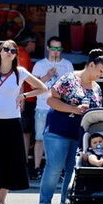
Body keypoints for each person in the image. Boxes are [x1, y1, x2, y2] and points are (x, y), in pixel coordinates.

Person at [37, 50, 103, 204]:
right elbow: (50, 100)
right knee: (54, 168)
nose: (101, 75)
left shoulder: (97, 87)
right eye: (100, 71)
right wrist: (74, 110)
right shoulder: (69, 79)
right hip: (57, 130)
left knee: (73, 170)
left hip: (80, 134)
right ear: (91, 65)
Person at [0, 41, 47, 204]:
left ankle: (2, 201)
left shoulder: (20, 72)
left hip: (11, 121)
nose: (9, 52)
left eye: (13, 50)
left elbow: (42, 87)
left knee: (8, 160)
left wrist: (24, 95)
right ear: (0, 51)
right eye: (6, 49)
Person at [31, 36, 75, 178]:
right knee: (39, 138)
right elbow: (33, 85)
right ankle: (37, 167)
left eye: (59, 48)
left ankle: (60, 168)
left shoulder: (67, 64)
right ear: (48, 48)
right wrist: (47, 75)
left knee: (61, 139)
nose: (56, 51)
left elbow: (73, 85)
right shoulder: (39, 65)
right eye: (53, 48)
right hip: (42, 106)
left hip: (61, 107)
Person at [17, 35, 38, 169]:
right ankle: (22, 163)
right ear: (29, 43)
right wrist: (23, 97)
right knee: (25, 132)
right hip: (27, 98)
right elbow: (21, 78)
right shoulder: (23, 54)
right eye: (34, 43)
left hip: (27, 97)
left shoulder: (21, 53)